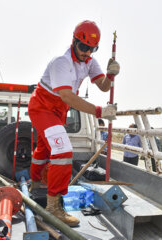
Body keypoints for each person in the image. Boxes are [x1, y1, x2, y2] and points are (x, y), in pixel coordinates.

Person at [27, 20, 120, 226]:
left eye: (92, 49)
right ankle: (53, 206)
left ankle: (35, 183)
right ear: (74, 41)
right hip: (42, 106)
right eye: (83, 47)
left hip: (59, 110)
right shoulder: (62, 62)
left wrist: (111, 74)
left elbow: (104, 87)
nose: (87, 53)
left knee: (44, 147)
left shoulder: (89, 62)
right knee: (62, 151)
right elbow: (68, 96)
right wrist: (99, 111)